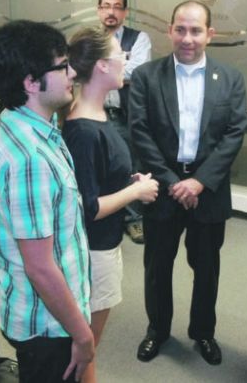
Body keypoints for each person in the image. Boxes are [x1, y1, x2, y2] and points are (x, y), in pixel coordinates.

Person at [128, 0, 247, 366]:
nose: (187, 38)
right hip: (162, 187)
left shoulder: (230, 78)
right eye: (180, 29)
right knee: (157, 266)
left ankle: (203, 332)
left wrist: (198, 183)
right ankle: (158, 330)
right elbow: (140, 131)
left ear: (210, 34)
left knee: (207, 268)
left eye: (196, 30)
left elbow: (234, 134)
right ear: (169, 30)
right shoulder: (147, 76)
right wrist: (172, 181)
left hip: (207, 190)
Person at [0, 20, 94, 383]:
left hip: (40, 314)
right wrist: (83, 334)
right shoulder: (30, 158)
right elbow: (41, 268)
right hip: (49, 327)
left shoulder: (18, 122)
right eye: (62, 66)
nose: (72, 73)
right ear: (31, 82)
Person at [62, 27, 160, 383]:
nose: (126, 61)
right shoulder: (83, 130)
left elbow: (100, 180)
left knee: (87, 346)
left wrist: (128, 184)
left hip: (106, 244)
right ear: (102, 66)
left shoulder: (98, 117)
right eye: (121, 54)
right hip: (95, 250)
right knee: (86, 345)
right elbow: (88, 207)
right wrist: (135, 193)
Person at [97, 0, 152, 245]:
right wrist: (116, 68)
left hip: (124, 113)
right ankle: (107, 215)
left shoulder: (138, 38)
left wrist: (102, 68)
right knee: (100, 167)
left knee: (128, 165)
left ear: (125, 12)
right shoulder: (91, 38)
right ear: (99, 10)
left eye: (117, 7)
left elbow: (136, 72)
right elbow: (82, 67)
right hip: (96, 113)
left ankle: (133, 220)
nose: (111, 12)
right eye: (106, 6)